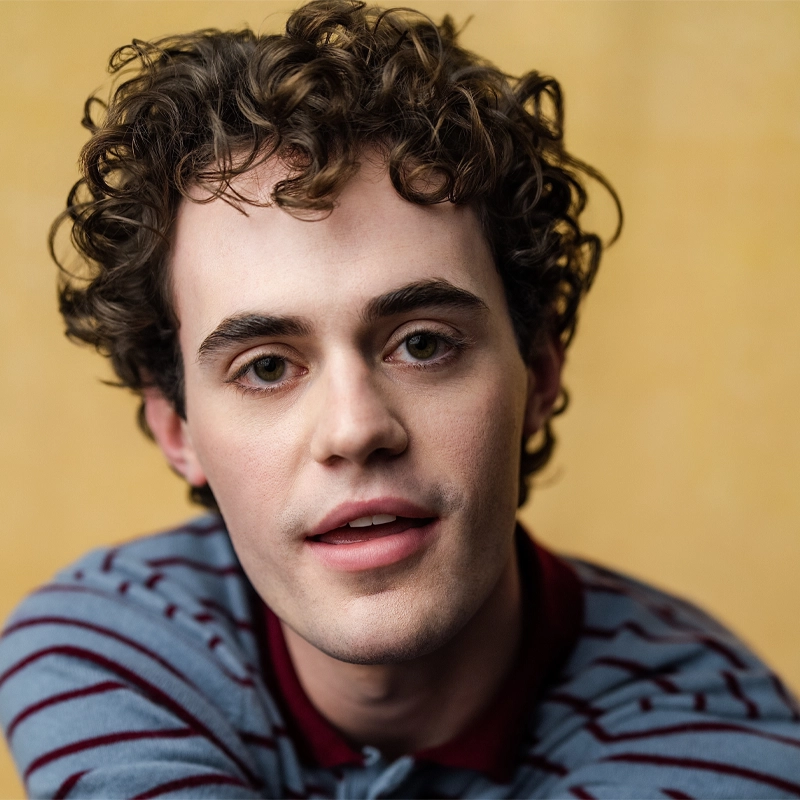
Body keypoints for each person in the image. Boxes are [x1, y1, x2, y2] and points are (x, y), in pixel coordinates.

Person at [2, 1, 799, 797]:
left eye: (422, 344)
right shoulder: (104, 648)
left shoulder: (719, 740)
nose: (356, 429)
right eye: (267, 367)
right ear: (178, 431)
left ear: (539, 375)